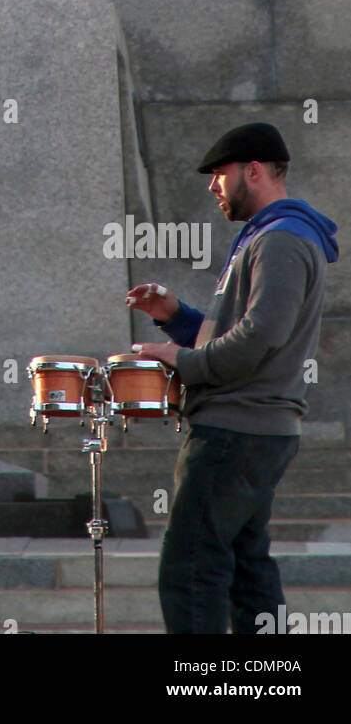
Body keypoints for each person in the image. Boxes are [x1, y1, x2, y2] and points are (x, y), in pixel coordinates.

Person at [128, 122, 339, 635]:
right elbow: (238, 332)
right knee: (246, 570)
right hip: (253, 430)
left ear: (254, 170)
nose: (211, 186)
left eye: (219, 174)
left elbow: (258, 338)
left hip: (234, 432)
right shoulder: (269, 237)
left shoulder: (282, 240)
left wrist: (180, 360)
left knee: (192, 568)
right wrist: (177, 317)